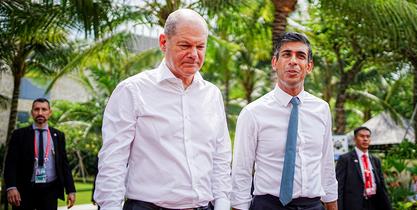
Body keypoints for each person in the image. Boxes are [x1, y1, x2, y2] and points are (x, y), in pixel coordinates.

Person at [94, 8, 232, 210]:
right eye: (185, 45)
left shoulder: (212, 95)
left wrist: (222, 205)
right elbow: (113, 160)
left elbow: (220, 158)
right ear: (163, 42)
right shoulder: (132, 90)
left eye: (200, 46)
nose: (194, 54)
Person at [231, 32, 338, 210]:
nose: (293, 61)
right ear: (275, 63)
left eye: (301, 56)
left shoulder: (322, 109)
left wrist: (332, 205)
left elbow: (326, 164)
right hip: (268, 205)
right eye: (287, 54)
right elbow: (241, 171)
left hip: (313, 205)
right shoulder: (253, 112)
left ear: (309, 66)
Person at [4, 98, 76, 210]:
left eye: (44, 109)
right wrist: (11, 187)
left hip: (50, 191)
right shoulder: (19, 135)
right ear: (32, 112)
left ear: (50, 112)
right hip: (24, 191)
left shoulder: (58, 135)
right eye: (36, 109)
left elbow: (64, 164)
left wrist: (71, 190)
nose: (40, 113)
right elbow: (10, 163)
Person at [335, 127, 392, 210]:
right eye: (362, 136)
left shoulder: (375, 160)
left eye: (368, 136)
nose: (365, 139)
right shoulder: (345, 159)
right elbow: (339, 187)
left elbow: (382, 186)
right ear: (355, 139)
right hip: (354, 204)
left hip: (374, 202)